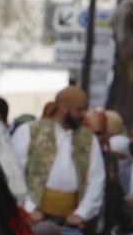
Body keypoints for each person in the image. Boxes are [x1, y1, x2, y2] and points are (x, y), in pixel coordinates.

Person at [14, 86, 104, 227]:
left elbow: (96, 178)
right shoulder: (30, 131)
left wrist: (82, 213)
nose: (83, 115)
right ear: (63, 108)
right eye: (79, 110)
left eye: (85, 110)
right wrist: (29, 208)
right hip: (33, 216)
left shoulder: (89, 139)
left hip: (71, 220)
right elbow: (15, 174)